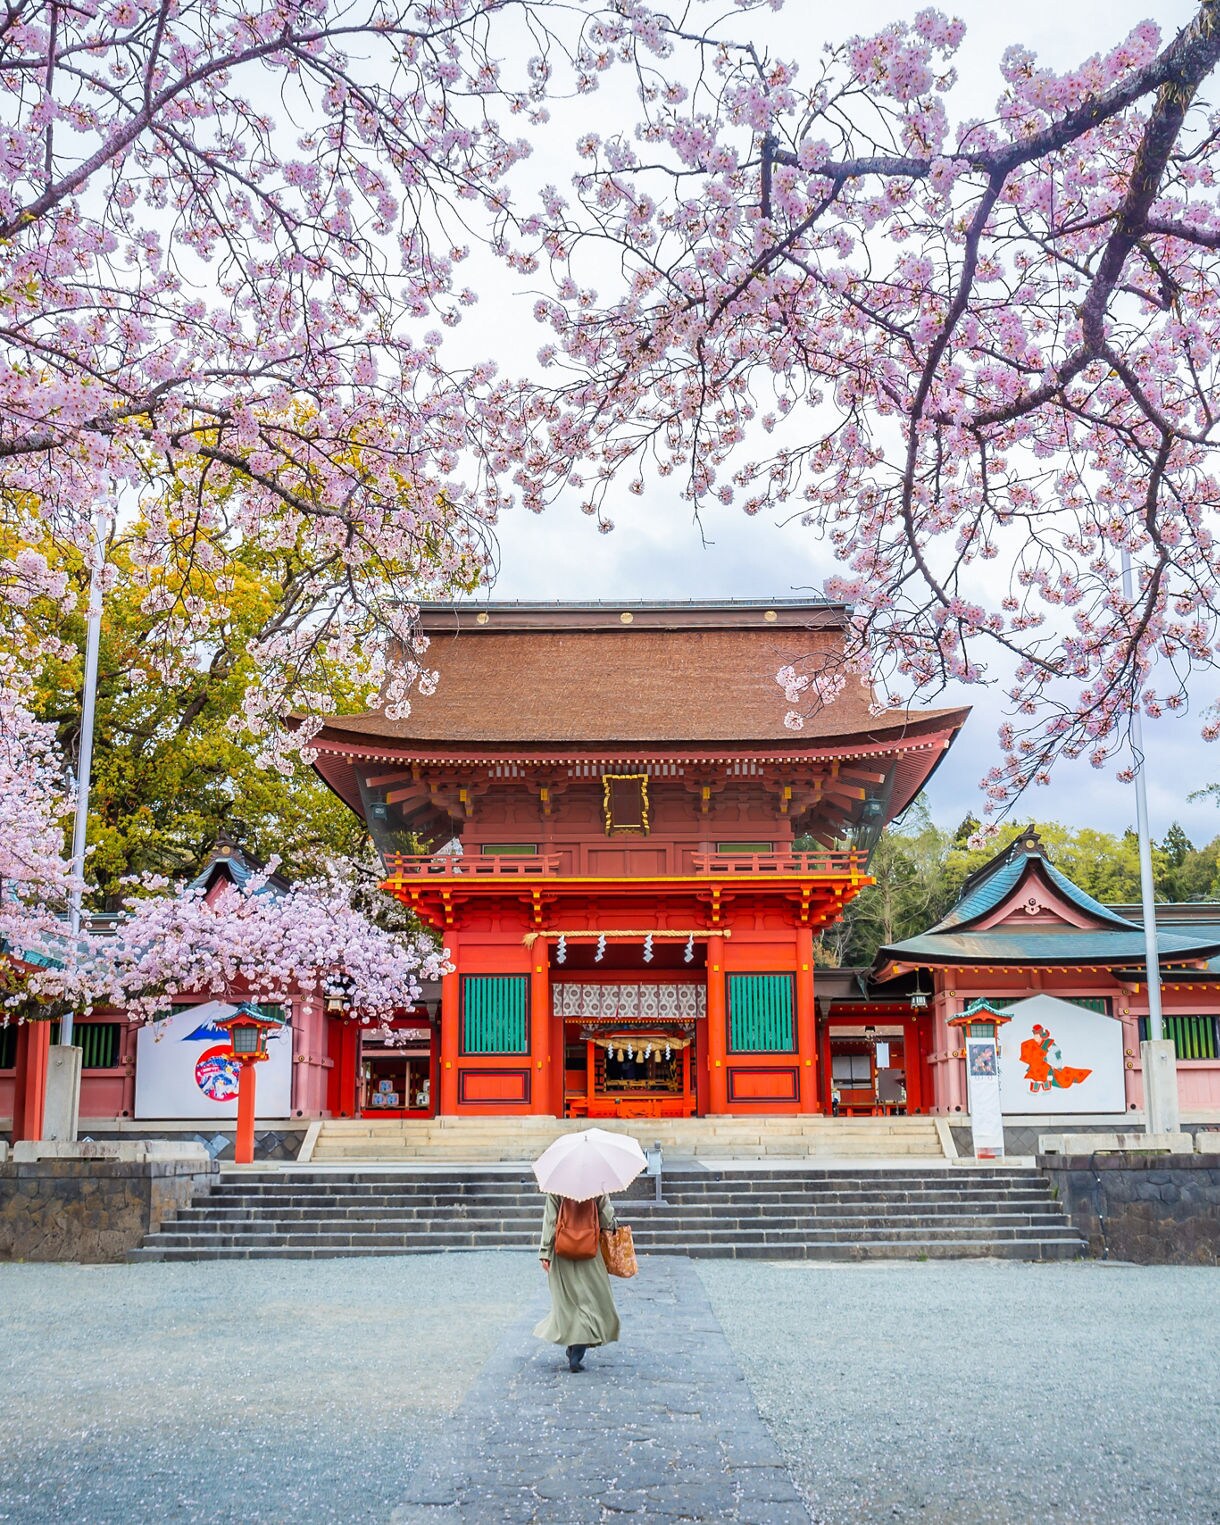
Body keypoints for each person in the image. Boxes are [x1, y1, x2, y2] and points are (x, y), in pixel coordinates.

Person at [535, 1193, 620, 1372]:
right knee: (592, 1299)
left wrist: (545, 1251)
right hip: (590, 1249)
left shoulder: (557, 1187)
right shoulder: (597, 1185)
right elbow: (606, 1219)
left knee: (567, 1301)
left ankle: (573, 1345)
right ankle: (577, 1350)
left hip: (562, 1248)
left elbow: (550, 1219)